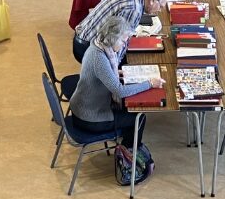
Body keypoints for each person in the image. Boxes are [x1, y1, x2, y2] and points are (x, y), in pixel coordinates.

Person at [70, 16, 164, 149]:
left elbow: (104, 75)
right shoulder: (99, 58)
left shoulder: (97, 45)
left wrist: (116, 74)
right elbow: (119, 90)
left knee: (129, 108)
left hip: (83, 108)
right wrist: (150, 83)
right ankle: (129, 155)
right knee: (139, 117)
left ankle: (127, 147)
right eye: (123, 41)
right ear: (113, 38)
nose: (124, 45)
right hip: (90, 118)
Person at [73, 0, 167, 63]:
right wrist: (116, 70)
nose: (159, 10)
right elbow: (118, 43)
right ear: (153, 0)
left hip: (82, 38)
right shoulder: (134, 10)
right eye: (161, 6)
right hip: (87, 48)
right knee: (129, 65)